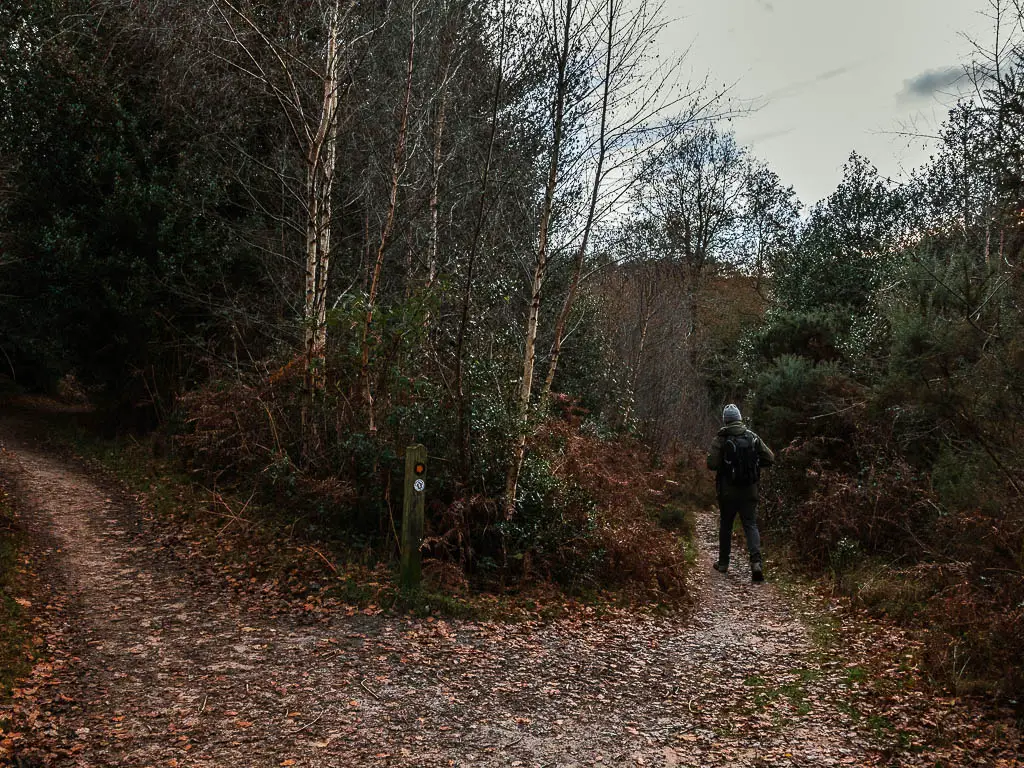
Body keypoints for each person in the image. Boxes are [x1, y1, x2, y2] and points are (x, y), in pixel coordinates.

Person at [706, 404, 775, 582]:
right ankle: (756, 563)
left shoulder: (720, 439)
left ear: (725, 420)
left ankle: (723, 564)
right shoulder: (752, 437)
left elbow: (711, 464)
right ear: (739, 418)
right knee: (750, 525)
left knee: (726, 526)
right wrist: (753, 466)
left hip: (727, 492)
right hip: (749, 491)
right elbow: (770, 457)